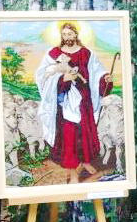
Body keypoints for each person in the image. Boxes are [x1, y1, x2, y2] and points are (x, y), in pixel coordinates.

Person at [35, 22, 114, 184]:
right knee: (69, 136)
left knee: (85, 133)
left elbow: (96, 72)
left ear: (76, 34)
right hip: (64, 102)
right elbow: (43, 75)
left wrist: (105, 78)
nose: (67, 37)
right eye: (64, 34)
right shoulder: (54, 53)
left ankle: (85, 161)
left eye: (69, 34)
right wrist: (62, 78)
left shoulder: (86, 53)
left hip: (84, 101)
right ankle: (73, 173)